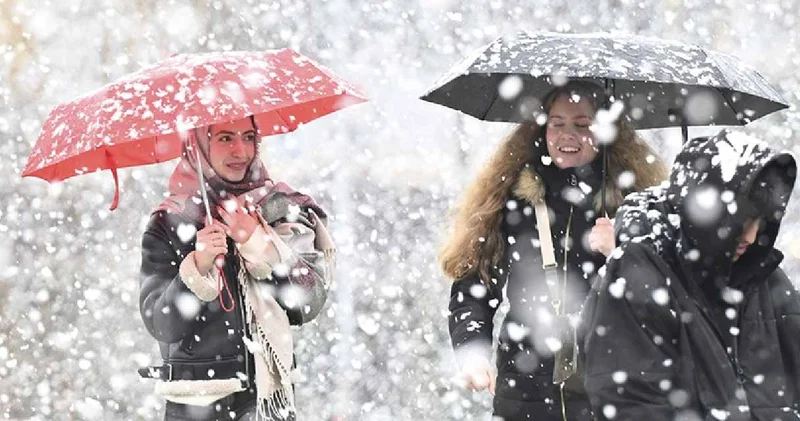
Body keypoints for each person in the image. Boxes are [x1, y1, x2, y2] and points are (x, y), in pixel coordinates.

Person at [440, 80, 669, 421]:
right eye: (557, 123)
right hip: (524, 389)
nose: (567, 135)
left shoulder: (637, 206)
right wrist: (472, 353)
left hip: (612, 387)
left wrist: (619, 253)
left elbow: (664, 301)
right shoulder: (510, 200)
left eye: (582, 125)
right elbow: (476, 285)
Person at [581, 130, 800, 420]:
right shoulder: (638, 273)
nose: (751, 235)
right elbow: (634, 404)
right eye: (740, 219)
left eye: (759, 219)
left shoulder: (764, 277)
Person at [138, 115, 335, 421]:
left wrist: (259, 244)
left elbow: (308, 303)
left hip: (269, 405)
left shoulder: (279, 209)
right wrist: (197, 268)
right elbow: (162, 325)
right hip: (198, 408)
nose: (241, 151)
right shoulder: (171, 221)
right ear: (198, 144)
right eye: (225, 138)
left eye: (248, 136)